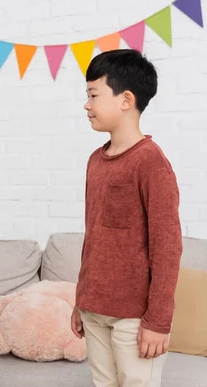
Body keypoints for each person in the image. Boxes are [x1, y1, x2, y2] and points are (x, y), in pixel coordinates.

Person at [71, 49, 183, 386]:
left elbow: (167, 248)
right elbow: (93, 239)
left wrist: (158, 320)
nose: (86, 105)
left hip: (134, 317)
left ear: (126, 99)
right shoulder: (95, 161)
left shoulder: (151, 164)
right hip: (95, 310)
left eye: (93, 95)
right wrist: (81, 301)